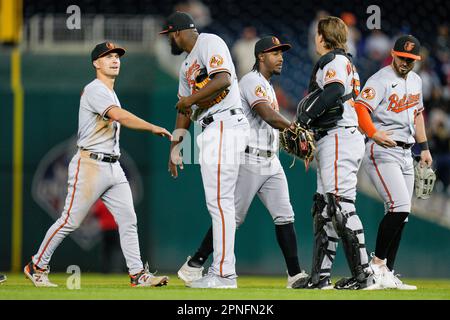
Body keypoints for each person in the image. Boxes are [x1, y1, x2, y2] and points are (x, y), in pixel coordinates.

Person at [24, 41, 171, 288]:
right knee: (70, 220)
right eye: (108, 56)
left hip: (113, 166)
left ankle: (137, 274)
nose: (115, 60)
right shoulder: (95, 89)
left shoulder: (109, 90)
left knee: (128, 219)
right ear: (96, 63)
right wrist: (152, 126)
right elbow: (120, 116)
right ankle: (36, 265)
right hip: (90, 164)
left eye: (117, 56)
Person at [176, 36, 309, 289]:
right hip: (249, 158)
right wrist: (296, 128)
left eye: (281, 53)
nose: (280, 57)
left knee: (285, 215)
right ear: (261, 57)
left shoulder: (268, 86)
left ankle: (295, 275)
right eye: (275, 53)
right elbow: (267, 114)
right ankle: (196, 263)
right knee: (231, 217)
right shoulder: (250, 82)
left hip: (271, 160)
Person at [161, 12, 250, 289]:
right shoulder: (185, 66)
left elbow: (222, 79)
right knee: (219, 203)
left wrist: (189, 99)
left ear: (178, 32)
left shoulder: (209, 41)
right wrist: (176, 146)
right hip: (211, 129)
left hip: (225, 122)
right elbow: (184, 111)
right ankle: (222, 271)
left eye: (170, 35)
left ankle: (224, 274)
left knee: (221, 202)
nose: (170, 41)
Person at [292, 16, 381, 290]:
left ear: (322, 37)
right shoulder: (342, 61)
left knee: (340, 206)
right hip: (334, 138)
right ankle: (320, 277)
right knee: (324, 209)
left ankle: (364, 274)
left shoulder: (335, 61)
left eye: (316, 34)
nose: (314, 38)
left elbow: (334, 92)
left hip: (340, 136)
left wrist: (304, 119)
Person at [355, 35, 433, 290]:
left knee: (403, 214)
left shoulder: (416, 80)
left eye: (411, 60)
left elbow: (418, 114)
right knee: (399, 207)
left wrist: (424, 147)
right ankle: (376, 266)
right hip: (382, 150)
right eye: (402, 58)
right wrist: (374, 133)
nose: (405, 63)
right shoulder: (380, 79)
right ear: (393, 53)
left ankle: (387, 272)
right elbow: (360, 108)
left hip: (406, 151)